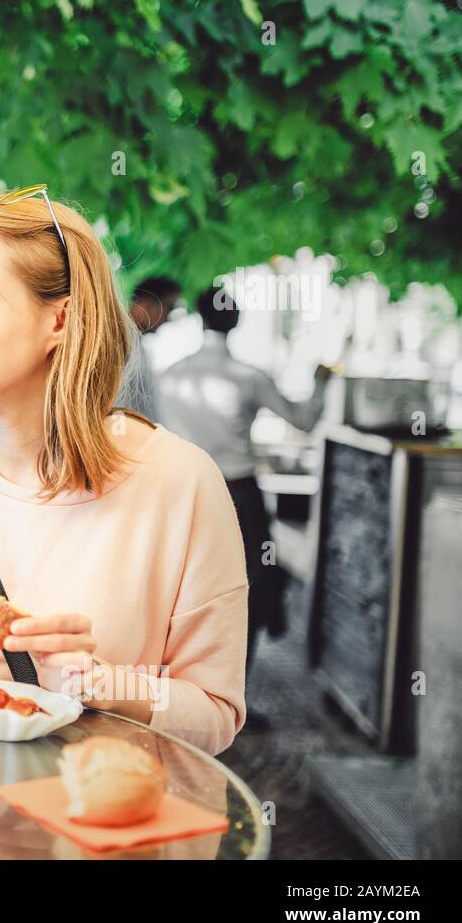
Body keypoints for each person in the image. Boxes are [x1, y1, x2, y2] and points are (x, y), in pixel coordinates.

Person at [0, 186, 249, 756]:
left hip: (100, 833)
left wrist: (103, 683)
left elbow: (216, 716)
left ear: (61, 321)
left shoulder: (182, 483)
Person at [157, 285, 329, 687]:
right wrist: (321, 382)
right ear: (236, 322)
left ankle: (177, 691)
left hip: (180, 492)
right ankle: (231, 693)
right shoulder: (249, 377)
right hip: (239, 495)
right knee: (243, 589)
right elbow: (303, 420)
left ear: (201, 319)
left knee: (179, 587)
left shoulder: (171, 375)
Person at [114, 275, 182, 422]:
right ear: (145, 304)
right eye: (169, 308)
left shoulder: (132, 342)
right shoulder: (120, 343)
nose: (169, 317)